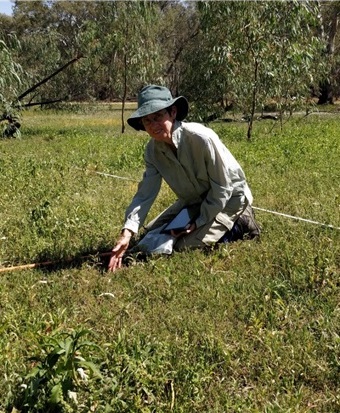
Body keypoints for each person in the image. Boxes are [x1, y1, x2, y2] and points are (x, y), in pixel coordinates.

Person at [108, 85, 260, 272]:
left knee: (182, 246)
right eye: (147, 121)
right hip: (194, 200)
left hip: (230, 199)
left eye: (157, 117)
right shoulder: (153, 152)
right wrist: (127, 233)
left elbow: (223, 188)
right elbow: (144, 195)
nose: (153, 125)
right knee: (150, 234)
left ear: (172, 112)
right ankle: (200, 223)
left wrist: (197, 222)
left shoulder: (201, 138)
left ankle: (241, 224)